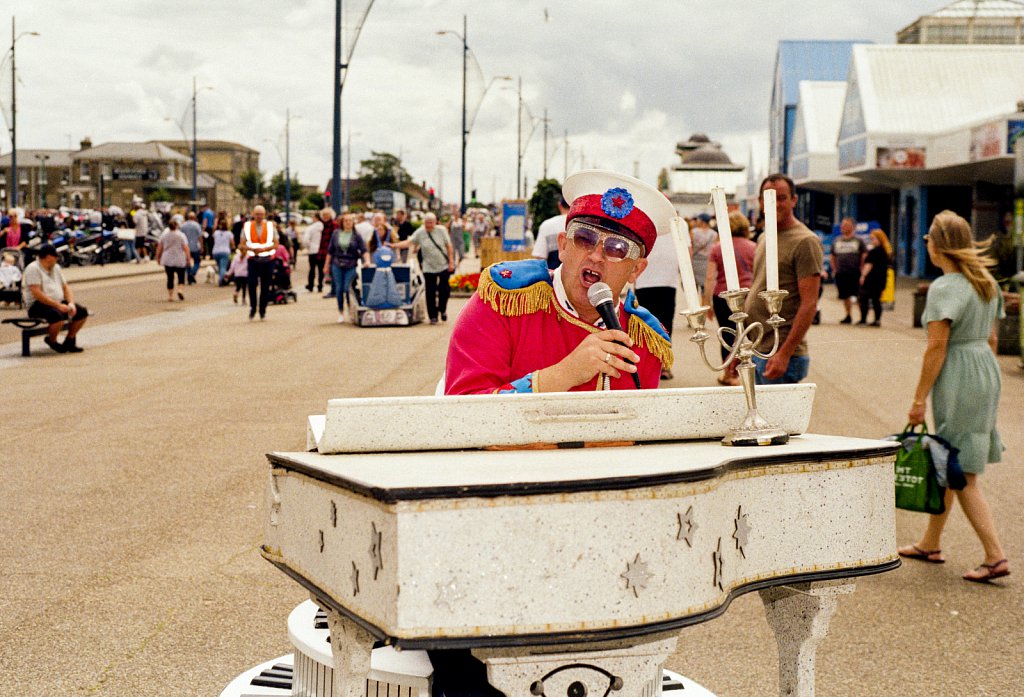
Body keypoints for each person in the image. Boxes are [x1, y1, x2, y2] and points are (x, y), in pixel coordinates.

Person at [446, 170, 674, 395]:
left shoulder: (645, 341)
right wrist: (562, 375)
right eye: (585, 238)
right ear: (563, 246)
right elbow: (462, 413)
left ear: (636, 269)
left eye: (617, 248)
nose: (596, 255)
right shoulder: (502, 301)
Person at [897, 210, 1009, 583]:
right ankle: (931, 542)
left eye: (929, 238)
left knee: (962, 473)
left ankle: (995, 556)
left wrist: (917, 400)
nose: (925, 243)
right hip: (984, 370)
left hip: (959, 373)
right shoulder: (985, 282)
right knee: (950, 460)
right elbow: (992, 340)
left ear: (939, 244)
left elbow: (936, 350)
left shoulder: (944, 288)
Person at [743, 173, 824, 385]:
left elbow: (809, 304)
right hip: (758, 348)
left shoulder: (805, 241)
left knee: (776, 418)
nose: (775, 204)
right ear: (759, 201)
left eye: (782, 198)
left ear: (793, 200)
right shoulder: (764, 237)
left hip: (782, 353)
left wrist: (784, 354)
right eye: (768, 197)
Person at [703, 210, 758, 386]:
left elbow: (710, 277)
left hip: (722, 297)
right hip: (749, 296)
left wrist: (706, 303)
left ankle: (730, 374)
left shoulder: (717, 248)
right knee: (748, 335)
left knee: (727, 335)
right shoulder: (753, 247)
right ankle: (748, 370)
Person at [21, 243, 89, 353]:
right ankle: (52, 340)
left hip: (57, 302)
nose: (57, 258)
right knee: (57, 317)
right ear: (47, 257)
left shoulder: (56, 267)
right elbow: (37, 293)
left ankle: (69, 340)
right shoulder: (33, 269)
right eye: (54, 256)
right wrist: (58, 306)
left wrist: (70, 303)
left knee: (81, 312)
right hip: (38, 304)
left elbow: (65, 287)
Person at [392, 213, 454, 324]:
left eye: (431, 223)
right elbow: (409, 242)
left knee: (444, 289)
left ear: (435, 222)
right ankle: (433, 316)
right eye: (426, 223)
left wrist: (451, 261)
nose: (428, 225)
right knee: (430, 291)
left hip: (443, 264)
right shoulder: (420, 232)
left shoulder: (441, 230)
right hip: (428, 266)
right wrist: (394, 246)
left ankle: (442, 309)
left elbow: (449, 246)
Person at [326, 213, 370, 323]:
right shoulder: (336, 234)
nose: (348, 223)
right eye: (346, 221)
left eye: (350, 221)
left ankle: (351, 309)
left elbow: (364, 249)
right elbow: (330, 251)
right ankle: (341, 312)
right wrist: (326, 265)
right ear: (342, 222)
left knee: (347, 288)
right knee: (339, 288)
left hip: (351, 263)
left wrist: (367, 261)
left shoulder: (356, 235)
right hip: (337, 263)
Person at [243, 205, 278, 320]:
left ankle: (263, 310)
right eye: (257, 214)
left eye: (261, 214)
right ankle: (253, 307)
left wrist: (264, 249)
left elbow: (276, 244)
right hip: (253, 259)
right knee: (252, 284)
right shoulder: (247, 227)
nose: (259, 217)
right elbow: (241, 244)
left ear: (264, 215)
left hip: (268, 260)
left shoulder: (270, 227)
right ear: (253, 214)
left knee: (265, 286)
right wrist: (251, 249)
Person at [830, 217, 866, 324]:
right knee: (845, 296)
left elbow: (864, 255)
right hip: (841, 273)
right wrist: (834, 269)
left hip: (855, 273)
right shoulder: (837, 240)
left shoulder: (858, 240)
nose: (843, 227)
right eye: (842, 225)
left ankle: (862, 317)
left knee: (859, 295)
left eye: (846, 225)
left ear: (852, 227)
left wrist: (862, 269)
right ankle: (848, 316)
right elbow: (833, 256)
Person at [857, 229, 891, 326]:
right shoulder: (885, 251)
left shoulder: (873, 252)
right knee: (876, 300)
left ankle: (863, 319)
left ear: (879, 239)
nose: (872, 241)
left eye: (873, 239)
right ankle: (877, 320)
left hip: (871, 279)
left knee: (863, 298)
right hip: (881, 279)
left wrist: (863, 276)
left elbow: (868, 265)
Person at [155, 219, 191, 302]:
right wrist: (188, 258)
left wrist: (158, 257)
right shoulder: (181, 235)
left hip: (167, 258)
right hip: (179, 258)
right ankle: (180, 290)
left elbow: (159, 247)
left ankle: (170, 296)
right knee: (181, 276)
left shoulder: (164, 235)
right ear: (177, 226)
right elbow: (185, 248)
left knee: (170, 277)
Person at [532, 196, 569, 270]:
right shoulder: (584, 225)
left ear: (559, 205)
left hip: (553, 278)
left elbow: (540, 258)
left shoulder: (547, 225)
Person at [690, 213, 717, 295]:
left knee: (694, 286)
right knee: (705, 286)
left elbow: (690, 246)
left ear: (702, 221)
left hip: (695, 261)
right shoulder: (714, 234)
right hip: (708, 261)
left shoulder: (693, 232)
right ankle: (704, 302)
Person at [301, 210, 327, 293]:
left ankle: (311, 285)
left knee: (312, 269)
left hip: (313, 250)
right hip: (322, 250)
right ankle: (320, 285)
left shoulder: (311, 228)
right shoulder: (324, 227)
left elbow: (305, 240)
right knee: (321, 269)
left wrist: (309, 246)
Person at [181, 212, 204, 285]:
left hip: (186, 247)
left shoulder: (183, 226)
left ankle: (189, 276)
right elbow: (200, 237)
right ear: (194, 218)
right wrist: (202, 247)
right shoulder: (197, 225)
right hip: (195, 247)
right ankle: (192, 273)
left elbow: (181, 237)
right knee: (197, 261)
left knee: (187, 262)